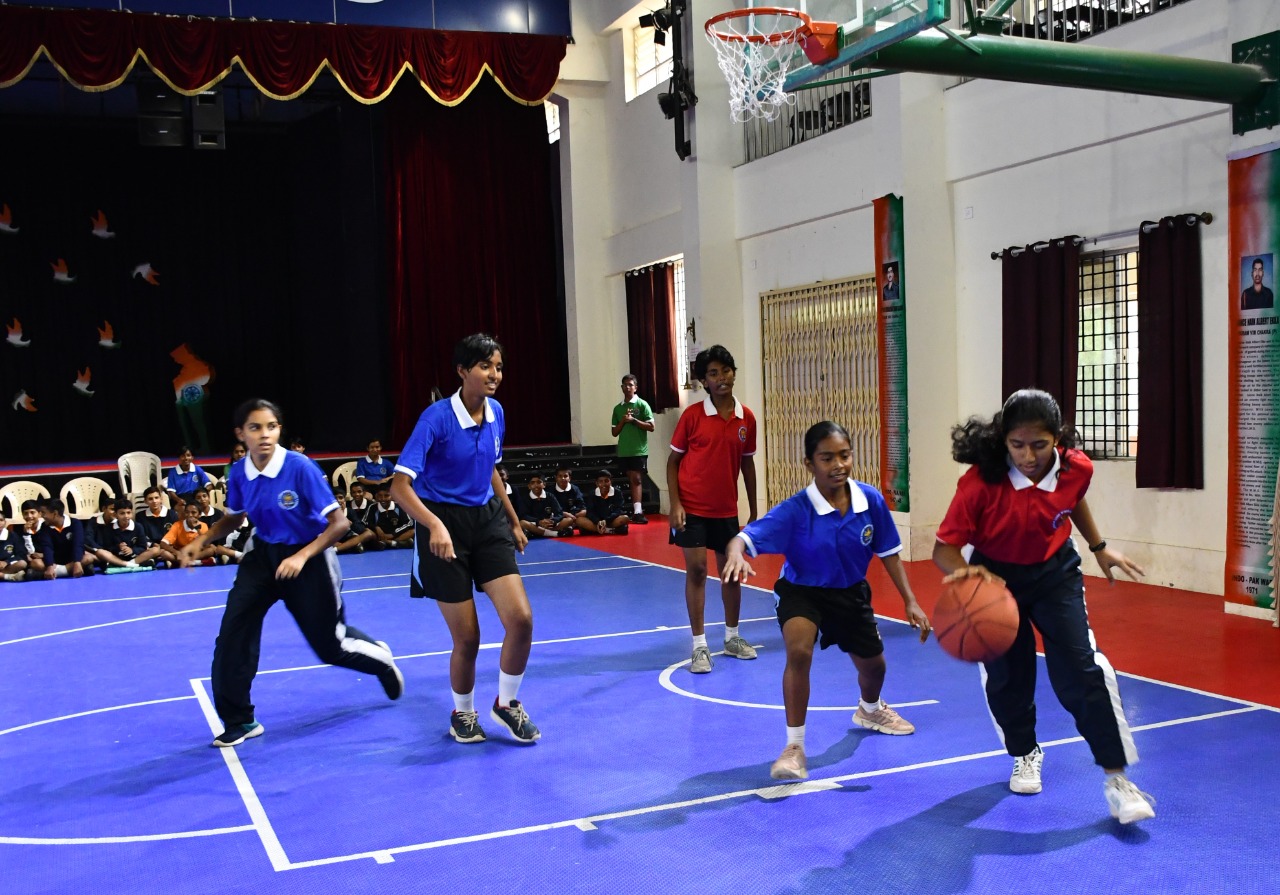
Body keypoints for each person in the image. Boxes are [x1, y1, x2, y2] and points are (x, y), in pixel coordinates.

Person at [933, 388, 1155, 825]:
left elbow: (1072, 499)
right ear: (1003, 440)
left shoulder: (1077, 467)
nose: (1028, 456)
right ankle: (1025, 752)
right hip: (996, 577)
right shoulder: (979, 483)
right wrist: (969, 575)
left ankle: (1117, 780)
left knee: (1082, 670)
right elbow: (944, 549)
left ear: (1058, 439)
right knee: (1008, 677)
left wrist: (1099, 547)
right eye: (1017, 445)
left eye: (1040, 444)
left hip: (1055, 574)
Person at [180, 398, 403, 748]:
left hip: (310, 556)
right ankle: (240, 720)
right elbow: (234, 518)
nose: (264, 434)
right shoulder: (238, 472)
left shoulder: (300, 467)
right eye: (255, 427)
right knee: (233, 636)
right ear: (241, 434)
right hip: (263, 556)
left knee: (330, 647)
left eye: (271, 426)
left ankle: (381, 661)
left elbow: (339, 523)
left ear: (279, 430)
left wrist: (301, 556)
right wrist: (201, 540)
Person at [722, 421, 930, 779]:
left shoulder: (870, 501)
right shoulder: (796, 510)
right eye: (827, 458)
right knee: (799, 651)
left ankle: (869, 709)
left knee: (875, 667)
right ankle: (794, 748)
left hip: (849, 593)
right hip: (802, 591)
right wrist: (735, 553)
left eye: (844, 455)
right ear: (809, 463)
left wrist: (910, 601)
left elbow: (890, 553)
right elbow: (743, 538)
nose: (838, 465)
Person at [390, 333, 540, 745]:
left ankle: (506, 703)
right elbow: (399, 487)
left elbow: (490, 468)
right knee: (468, 637)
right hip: (442, 525)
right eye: (485, 366)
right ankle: (463, 713)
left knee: (521, 620)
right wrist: (434, 525)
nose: (494, 375)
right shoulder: (435, 419)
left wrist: (513, 520)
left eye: (499, 367)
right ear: (462, 371)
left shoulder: (496, 413)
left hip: (487, 521)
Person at [667, 344, 759, 674]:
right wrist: (675, 504)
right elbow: (673, 461)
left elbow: (747, 465)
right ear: (704, 381)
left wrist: (754, 509)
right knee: (697, 571)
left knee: (731, 573)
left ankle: (732, 637)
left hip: (726, 510)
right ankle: (699, 646)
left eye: (726, 371)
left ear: (734, 373)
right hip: (691, 508)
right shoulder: (692, 416)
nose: (721, 378)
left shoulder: (746, 418)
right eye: (713, 373)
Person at [611, 374, 654, 524]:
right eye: (625, 385)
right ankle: (635, 510)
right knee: (631, 478)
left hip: (638, 449)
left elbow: (651, 426)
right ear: (621, 387)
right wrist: (623, 421)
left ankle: (638, 512)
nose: (627, 387)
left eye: (630, 385)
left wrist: (634, 420)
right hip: (624, 450)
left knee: (637, 478)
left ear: (635, 387)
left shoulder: (642, 405)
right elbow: (614, 432)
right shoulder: (618, 408)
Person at [94, 498, 166, 570]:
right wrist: (118, 548)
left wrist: (132, 550)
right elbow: (107, 547)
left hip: (135, 557)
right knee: (100, 552)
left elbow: (142, 547)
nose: (126, 516)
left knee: (155, 550)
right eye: (122, 513)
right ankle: (127, 564)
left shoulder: (138, 527)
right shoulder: (109, 528)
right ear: (116, 514)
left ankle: (131, 563)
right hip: (117, 557)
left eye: (128, 513)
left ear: (132, 513)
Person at [34, 498, 87, 579]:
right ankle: (70, 571)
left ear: (55, 513)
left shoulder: (75, 523)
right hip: (55, 560)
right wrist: (49, 565)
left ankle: (52, 573)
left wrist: (77, 562)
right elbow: (47, 547)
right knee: (36, 563)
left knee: (88, 558)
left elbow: (78, 544)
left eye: (43, 513)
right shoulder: (44, 526)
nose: (41, 516)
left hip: (72, 558)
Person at [519, 472, 575, 538]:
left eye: (539, 482)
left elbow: (559, 513)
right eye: (533, 483)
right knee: (522, 523)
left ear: (544, 485)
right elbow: (524, 515)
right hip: (535, 524)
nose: (536, 485)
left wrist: (553, 521)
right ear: (529, 486)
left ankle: (538, 533)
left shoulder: (550, 496)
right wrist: (538, 522)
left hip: (549, 524)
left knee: (569, 520)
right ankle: (555, 534)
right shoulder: (525, 498)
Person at [587, 469, 632, 535]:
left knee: (625, 518)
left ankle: (597, 530)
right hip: (597, 522)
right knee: (579, 520)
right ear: (596, 483)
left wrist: (606, 520)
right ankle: (609, 530)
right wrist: (597, 521)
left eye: (606, 481)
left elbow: (618, 510)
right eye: (601, 481)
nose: (603, 484)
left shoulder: (617, 492)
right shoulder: (592, 494)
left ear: (611, 481)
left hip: (611, 520)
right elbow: (590, 512)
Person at [334, 486, 376, 553]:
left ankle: (338, 549)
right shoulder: (329, 513)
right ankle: (351, 547)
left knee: (368, 533)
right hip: (335, 538)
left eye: (341, 498)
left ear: (344, 499)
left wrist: (350, 524)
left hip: (350, 537)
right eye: (335, 498)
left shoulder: (350, 511)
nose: (338, 501)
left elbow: (359, 528)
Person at [552, 466, 591, 532]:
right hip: (560, 517)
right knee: (568, 520)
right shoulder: (551, 491)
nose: (563, 478)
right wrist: (564, 514)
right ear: (556, 478)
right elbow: (551, 509)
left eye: (565, 476)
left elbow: (581, 505)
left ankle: (570, 526)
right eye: (560, 476)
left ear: (569, 478)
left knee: (585, 512)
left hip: (574, 515)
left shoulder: (575, 489)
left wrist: (574, 514)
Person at [0, 516, 30, 581]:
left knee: (22, 563)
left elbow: (21, 555)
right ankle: (7, 577)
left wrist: (6, 562)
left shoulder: (12, 535)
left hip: (6, 566)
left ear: (5, 522)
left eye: (1, 520)